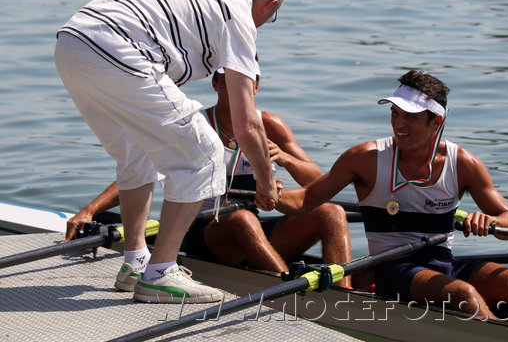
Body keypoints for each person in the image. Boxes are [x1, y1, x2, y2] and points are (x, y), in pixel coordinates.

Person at [54, 0, 288, 303]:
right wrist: (266, 182)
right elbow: (246, 122)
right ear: (271, 6)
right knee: (205, 153)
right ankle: (160, 274)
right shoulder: (238, 13)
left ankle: (136, 262)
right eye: (272, 18)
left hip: (72, 43)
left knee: (138, 152)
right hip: (119, 52)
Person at [276, 70, 508, 333]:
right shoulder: (365, 158)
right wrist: (272, 194)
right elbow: (306, 199)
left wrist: (491, 221)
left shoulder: (463, 163)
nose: (398, 124)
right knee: (462, 294)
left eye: (410, 117)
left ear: (436, 121)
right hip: (393, 268)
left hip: (443, 264)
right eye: (394, 114)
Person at [64, 70, 352, 288]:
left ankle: (345, 294)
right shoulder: (195, 126)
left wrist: (285, 159)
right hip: (203, 233)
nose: (240, 89)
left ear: (257, 86)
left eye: (247, 82)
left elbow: (319, 183)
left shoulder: (269, 125)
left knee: (331, 212)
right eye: (229, 81)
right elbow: (140, 172)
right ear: (216, 85)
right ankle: (285, 287)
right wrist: (90, 210)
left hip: (253, 230)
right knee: (242, 218)